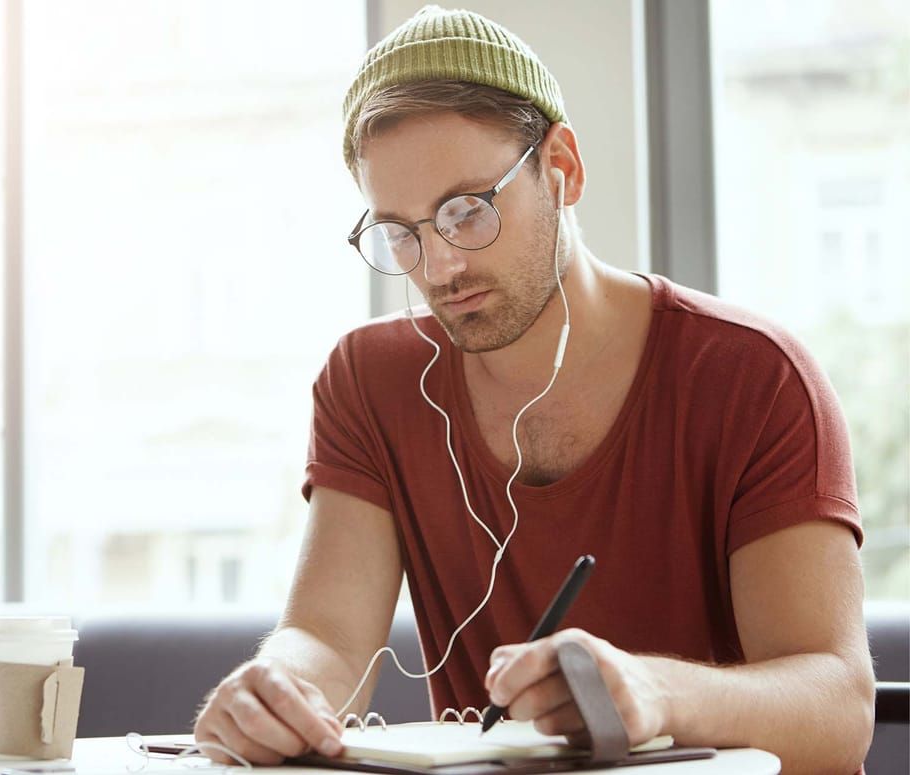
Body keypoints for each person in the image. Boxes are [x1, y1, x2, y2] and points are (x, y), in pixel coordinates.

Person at [194, 6, 875, 773]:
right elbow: (328, 640)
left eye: (467, 210)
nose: (440, 268)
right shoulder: (369, 383)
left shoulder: (755, 376)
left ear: (565, 167)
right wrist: (277, 688)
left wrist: (658, 692)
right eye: (402, 233)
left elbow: (839, 707)